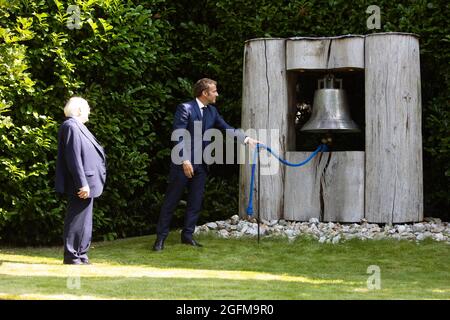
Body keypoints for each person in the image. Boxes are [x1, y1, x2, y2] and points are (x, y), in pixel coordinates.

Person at [153, 78, 259, 251]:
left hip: (202, 165)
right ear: (204, 93)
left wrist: (246, 139)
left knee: (195, 203)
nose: (217, 94)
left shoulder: (212, 112)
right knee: (171, 202)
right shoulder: (185, 108)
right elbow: (178, 135)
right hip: (182, 164)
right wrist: (185, 160)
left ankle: (187, 236)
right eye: (214, 91)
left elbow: (226, 128)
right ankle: (160, 239)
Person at [55, 97, 106, 264]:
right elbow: (73, 158)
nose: (89, 111)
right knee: (77, 220)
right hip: (82, 183)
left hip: (87, 182)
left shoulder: (77, 126)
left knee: (84, 222)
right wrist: (82, 183)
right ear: (78, 110)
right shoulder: (71, 126)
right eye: (87, 108)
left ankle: (81, 254)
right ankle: (72, 256)